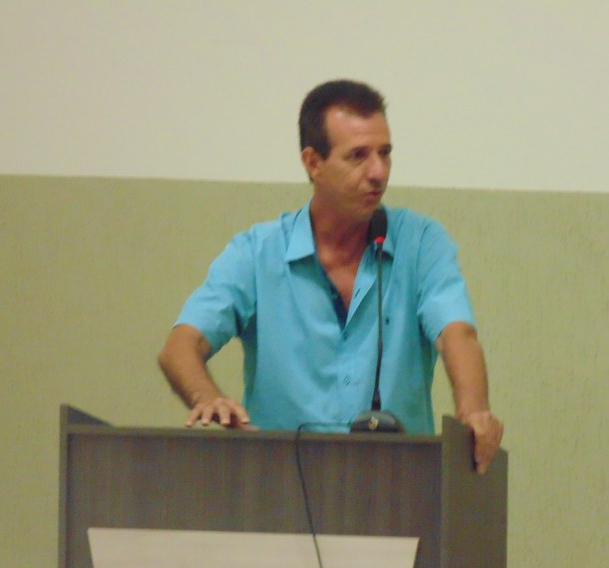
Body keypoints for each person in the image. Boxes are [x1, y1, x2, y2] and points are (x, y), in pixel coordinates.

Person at [158, 79, 503, 473]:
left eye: (385, 153)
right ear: (313, 163)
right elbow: (181, 346)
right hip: (278, 485)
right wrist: (207, 398)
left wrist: (474, 412)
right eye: (358, 156)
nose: (378, 172)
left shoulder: (421, 243)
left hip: (397, 488)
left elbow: (457, 334)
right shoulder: (257, 253)